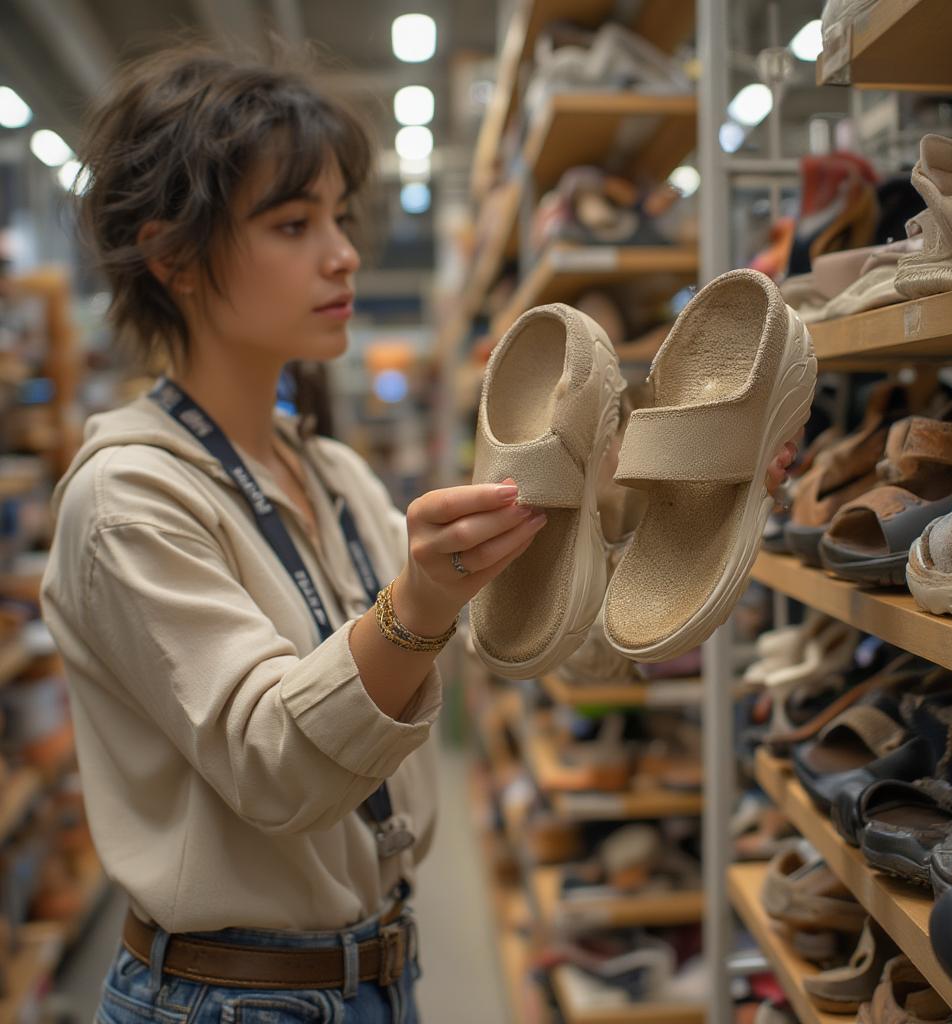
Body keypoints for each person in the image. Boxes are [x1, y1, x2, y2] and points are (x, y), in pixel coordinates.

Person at [40, 45, 797, 1023]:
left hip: (371, 975)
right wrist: (420, 602)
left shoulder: (332, 471)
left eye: (339, 220)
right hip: (225, 999)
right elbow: (274, 763)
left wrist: (683, 516)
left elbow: (522, 640)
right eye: (292, 223)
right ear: (172, 256)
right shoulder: (125, 502)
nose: (344, 254)